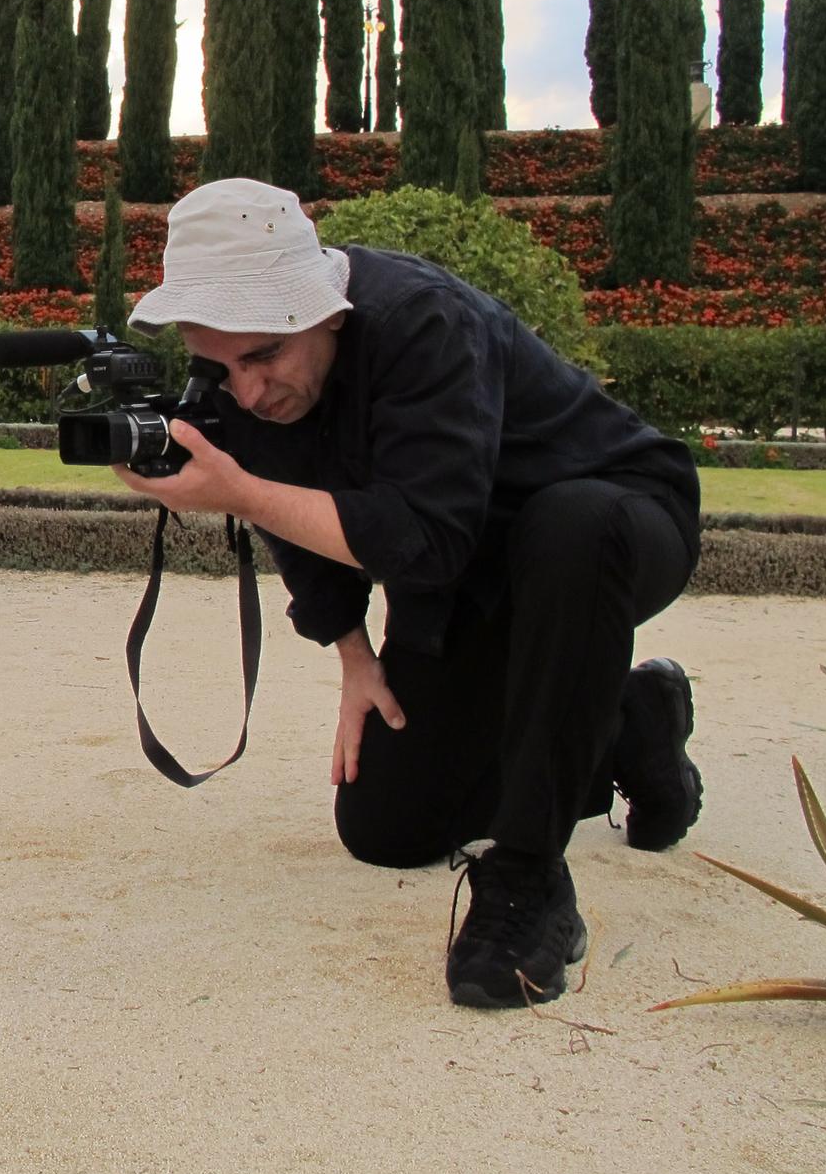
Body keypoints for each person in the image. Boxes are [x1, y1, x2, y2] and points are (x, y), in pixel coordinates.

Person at [115, 176, 703, 1009]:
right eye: (220, 364)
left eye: (263, 358)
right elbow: (293, 501)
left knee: (567, 524)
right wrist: (354, 657)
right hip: (474, 575)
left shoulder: (423, 323)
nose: (246, 391)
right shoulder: (240, 380)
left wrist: (239, 493)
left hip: (617, 526)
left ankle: (531, 881)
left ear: (320, 310)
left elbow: (424, 537)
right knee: (387, 827)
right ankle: (626, 725)